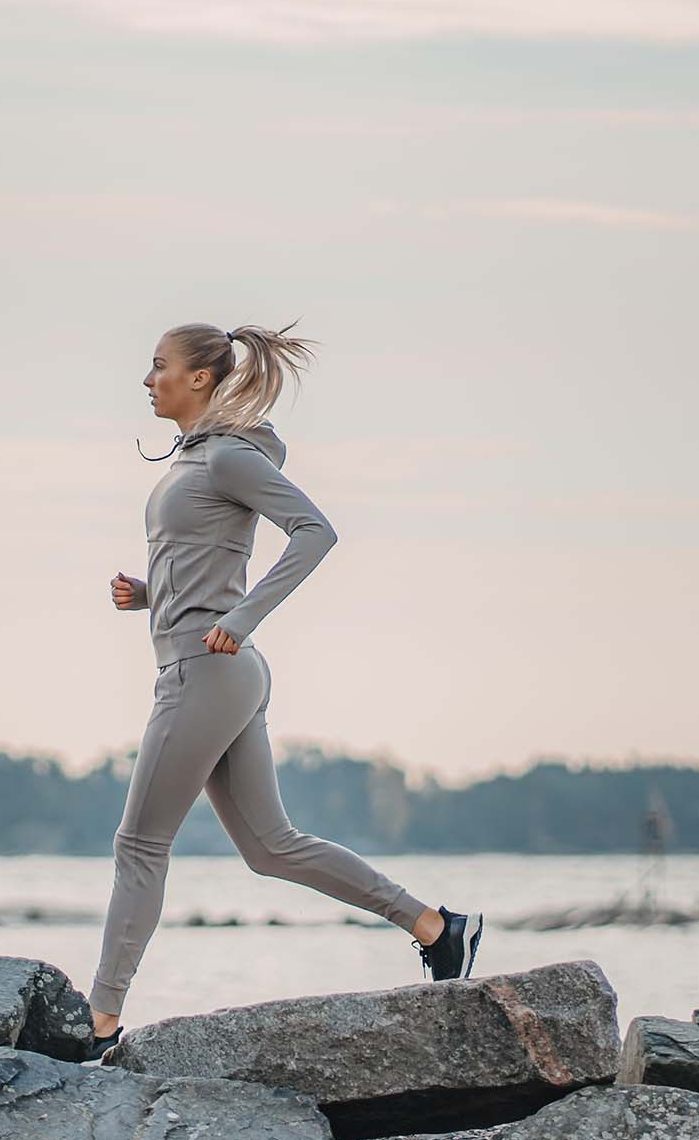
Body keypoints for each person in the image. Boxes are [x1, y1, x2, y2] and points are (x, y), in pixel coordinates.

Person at [90, 319, 484, 1050]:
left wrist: (240, 617)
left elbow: (314, 531)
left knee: (139, 846)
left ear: (199, 378)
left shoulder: (229, 459)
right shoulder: (197, 459)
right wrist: (152, 594)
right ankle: (436, 927)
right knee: (271, 847)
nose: (148, 381)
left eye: (158, 367)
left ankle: (99, 1024)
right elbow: (209, 560)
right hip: (214, 667)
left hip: (206, 672)